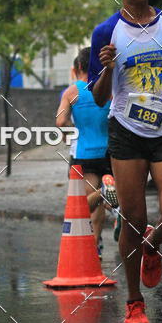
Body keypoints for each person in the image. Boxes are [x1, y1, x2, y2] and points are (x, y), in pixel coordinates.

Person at [89, 0, 162, 323]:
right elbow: (99, 96)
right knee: (133, 219)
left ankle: (153, 244)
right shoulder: (106, 32)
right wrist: (106, 67)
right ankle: (133, 300)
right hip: (127, 133)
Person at [56, 47, 118, 253]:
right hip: (109, 151)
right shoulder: (109, 89)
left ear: (79, 67)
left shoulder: (72, 92)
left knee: (84, 203)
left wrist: (68, 134)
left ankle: (104, 194)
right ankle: (96, 244)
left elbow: (60, 121)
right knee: (99, 206)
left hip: (84, 152)